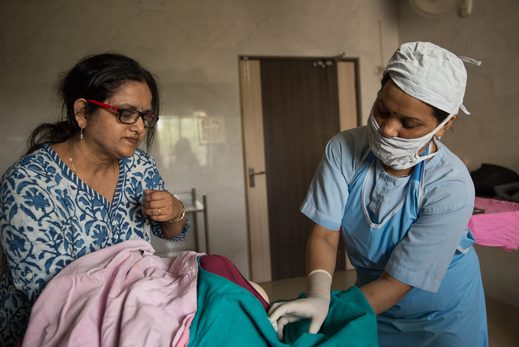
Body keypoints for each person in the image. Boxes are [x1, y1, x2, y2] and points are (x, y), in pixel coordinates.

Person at [268, 41, 488, 346]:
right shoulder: (343, 150)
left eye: (408, 124)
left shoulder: (451, 185)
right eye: (383, 110)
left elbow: (400, 281)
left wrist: (333, 312)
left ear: (443, 125)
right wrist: (319, 295)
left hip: (442, 313)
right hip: (370, 299)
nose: (387, 129)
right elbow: (324, 235)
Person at [0, 53, 189, 345]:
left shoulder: (140, 167)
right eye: (126, 113)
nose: (139, 127)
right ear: (83, 113)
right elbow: (49, 292)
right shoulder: (29, 183)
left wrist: (175, 212)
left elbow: (170, 231)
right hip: (51, 330)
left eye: (146, 116)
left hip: (128, 319)